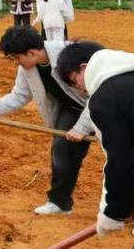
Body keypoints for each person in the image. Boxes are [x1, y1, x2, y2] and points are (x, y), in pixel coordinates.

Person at [0, 27, 95, 216]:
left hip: (107, 105)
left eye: (17, 57)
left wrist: (81, 128)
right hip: (72, 109)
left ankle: (124, 207)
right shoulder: (27, 68)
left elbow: (99, 95)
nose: (17, 62)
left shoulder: (70, 55)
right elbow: (19, 95)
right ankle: (59, 202)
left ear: (31, 53)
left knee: (120, 153)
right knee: (61, 150)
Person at [57, 42, 134, 236]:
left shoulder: (104, 99)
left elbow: (121, 160)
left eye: (74, 81)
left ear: (84, 67)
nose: (80, 89)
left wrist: (114, 213)